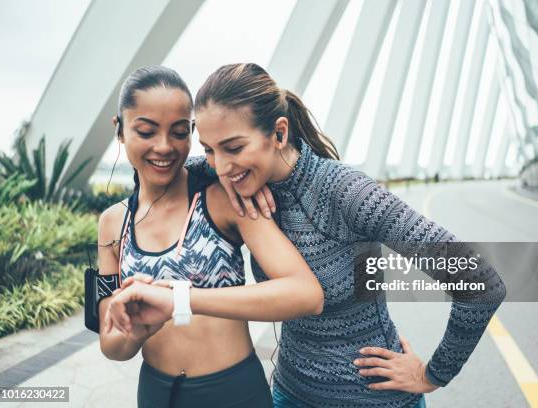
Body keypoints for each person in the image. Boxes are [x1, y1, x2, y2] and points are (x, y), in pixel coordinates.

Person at [110, 63, 506, 407]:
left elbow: (480, 282)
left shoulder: (346, 192)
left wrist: (433, 374)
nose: (221, 165)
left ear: (279, 133)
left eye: (233, 147)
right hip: (288, 395)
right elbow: (167, 165)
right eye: (211, 149)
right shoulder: (226, 175)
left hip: (372, 400)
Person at [97, 65, 324, 408]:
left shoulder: (222, 200)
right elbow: (110, 344)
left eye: (178, 132)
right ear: (120, 130)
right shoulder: (113, 224)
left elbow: (305, 293)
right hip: (156, 394)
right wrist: (133, 333)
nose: (164, 147)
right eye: (146, 131)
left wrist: (183, 299)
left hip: (233, 392)